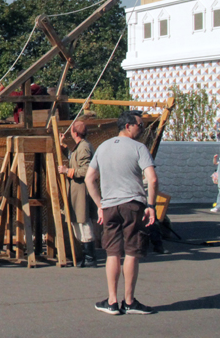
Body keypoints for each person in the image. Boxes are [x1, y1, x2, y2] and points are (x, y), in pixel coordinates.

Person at [86, 110, 158, 315]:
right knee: (132, 252)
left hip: (109, 206)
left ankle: (112, 301)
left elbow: (90, 178)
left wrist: (100, 204)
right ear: (128, 126)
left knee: (112, 253)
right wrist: (151, 206)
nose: (142, 129)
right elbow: (152, 179)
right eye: (140, 125)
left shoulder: (103, 147)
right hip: (132, 204)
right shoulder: (139, 148)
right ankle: (129, 301)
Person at [57, 120, 97, 267]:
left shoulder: (84, 147)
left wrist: (67, 171)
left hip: (81, 191)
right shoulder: (81, 146)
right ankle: (86, 256)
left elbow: (86, 170)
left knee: (83, 223)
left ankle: (90, 258)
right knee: (78, 223)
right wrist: (63, 146)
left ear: (74, 133)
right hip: (76, 191)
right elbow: (74, 158)